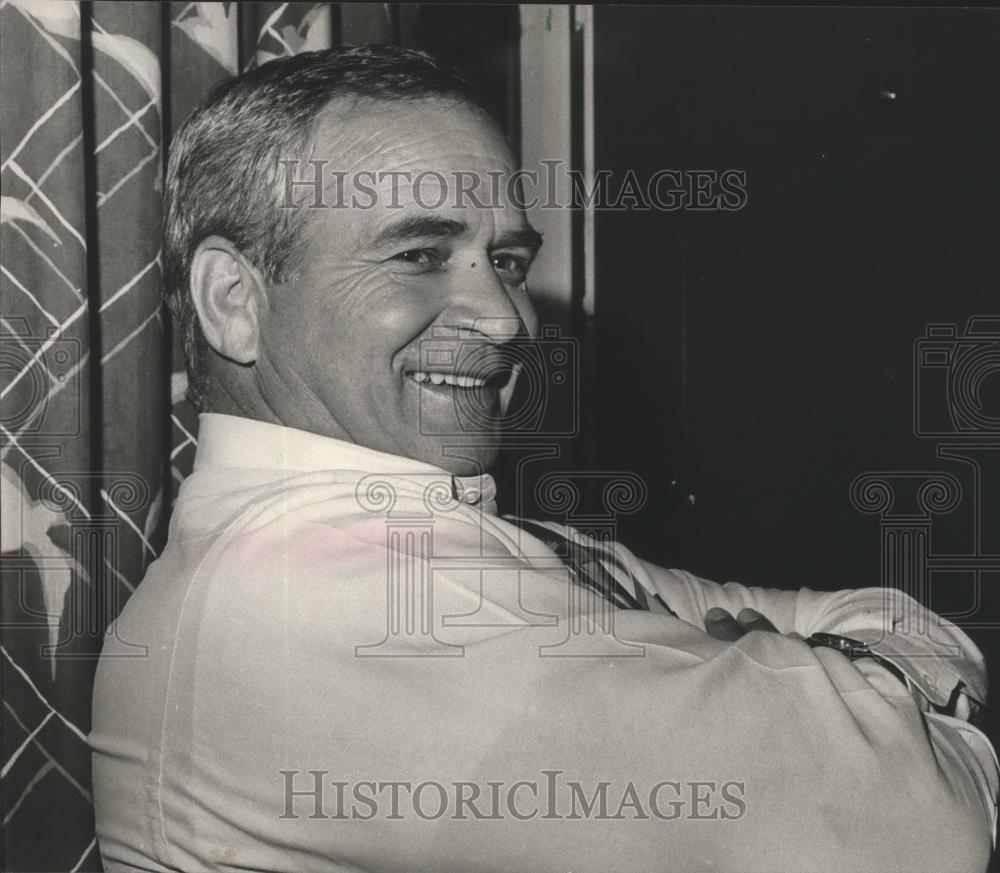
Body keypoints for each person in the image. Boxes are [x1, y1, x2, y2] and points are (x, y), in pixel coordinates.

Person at [90, 45, 997, 873]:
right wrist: (877, 687)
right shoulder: (324, 602)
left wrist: (861, 694)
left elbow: (848, 612)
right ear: (233, 300)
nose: (506, 319)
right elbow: (919, 833)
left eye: (509, 261)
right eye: (419, 253)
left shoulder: (428, 538)